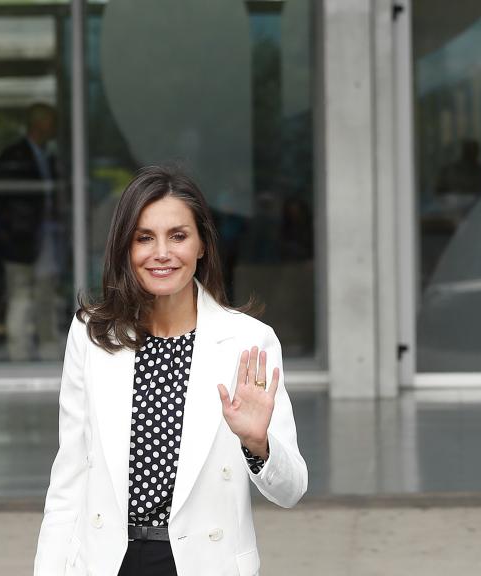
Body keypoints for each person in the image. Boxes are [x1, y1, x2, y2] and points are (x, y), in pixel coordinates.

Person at [34, 166, 308, 575]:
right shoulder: (91, 333)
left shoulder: (248, 342)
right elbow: (69, 475)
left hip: (203, 563)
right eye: (144, 238)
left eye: (178, 236)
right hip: (106, 561)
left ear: (201, 246)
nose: (161, 252)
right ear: (125, 247)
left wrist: (258, 444)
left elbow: (291, 490)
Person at [0, 102, 62, 360]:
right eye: (51, 121)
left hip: (46, 236)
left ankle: (49, 349)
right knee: (20, 295)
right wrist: (6, 235)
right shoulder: (14, 156)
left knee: (46, 294)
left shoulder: (49, 157)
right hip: (20, 239)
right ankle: (19, 354)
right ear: (39, 123)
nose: (55, 128)